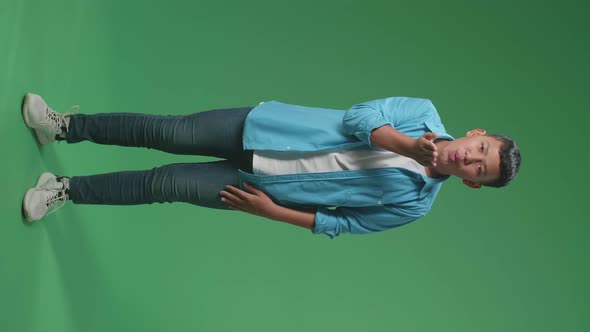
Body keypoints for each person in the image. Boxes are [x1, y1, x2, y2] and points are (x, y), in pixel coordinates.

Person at [21, 93, 521, 238]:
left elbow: (341, 223)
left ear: (473, 185)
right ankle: (63, 126)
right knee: (164, 132)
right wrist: (409, 146)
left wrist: (270, 212)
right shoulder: (423, 114)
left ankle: (64, 189)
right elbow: (358, 116)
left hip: (261, 187)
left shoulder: (414, 206)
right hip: (264, 128)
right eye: (480, 151)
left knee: (163, 183)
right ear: (475, 135)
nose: (471, 161)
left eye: (480, 170)